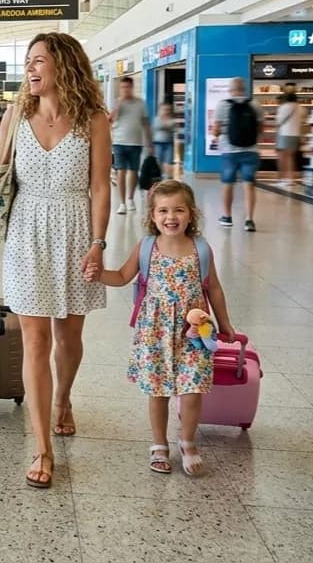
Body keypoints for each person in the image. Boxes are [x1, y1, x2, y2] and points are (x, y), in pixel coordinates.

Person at [0, 32, 110, 490]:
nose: (30, 69)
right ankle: (42, 445)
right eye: (28, 61)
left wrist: (99, 242)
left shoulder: (93, 120)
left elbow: (101, 186)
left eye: (39, 61)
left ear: (63, 67)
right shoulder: (16, 114)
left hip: (75, 231)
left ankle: (63, 398)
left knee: (68, 336)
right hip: (26, 231)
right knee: (33, 341)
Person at [86, 181, 235, 476]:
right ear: (152, 216)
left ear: (191, 214)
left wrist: (225, 323)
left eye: (179, 210)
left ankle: (188, 442)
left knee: (192, 390)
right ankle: (158, 444)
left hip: (193, 334)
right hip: (154, 332)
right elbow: (123, 276)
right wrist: (99, 274)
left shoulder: (201, 248)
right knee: (159, 391)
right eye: (163, 211)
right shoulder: (146, 247)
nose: (171, 217)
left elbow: (214, 288)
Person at [212, 77, 263, 232]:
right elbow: (261, 128)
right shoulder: (255, 105)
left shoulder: (222, 105)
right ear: (244, 89)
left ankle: (227, 217)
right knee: (249, 185)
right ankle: (249, 220)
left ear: (231, 89)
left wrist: (218, 134)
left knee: (228, 184)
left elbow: (215, 130)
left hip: (229, 151)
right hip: (251, 150)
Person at [109, 76, 151, 214]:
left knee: (133, 171)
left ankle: (130, 198)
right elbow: (109, 120)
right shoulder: (117, 103)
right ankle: (122, 203)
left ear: (132, 87)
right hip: (119, 142)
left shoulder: (140, 103)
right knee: (121, 171)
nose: (125, 90)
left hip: (136, 142)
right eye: (123, 87)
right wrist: (118, 106)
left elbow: (145, 123)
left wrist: (149, 142)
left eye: (127, 87)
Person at [276, 84, 302, 188]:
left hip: (285, 134)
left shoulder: (284, 107)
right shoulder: (299, 107)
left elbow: (278, 121)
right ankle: (290, 179)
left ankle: (283, 179)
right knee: (291, 157)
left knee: (282, 157)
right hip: (295, 135)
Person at [151, 102, 176, 179]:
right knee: (159, 161)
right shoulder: (156, 119)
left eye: (168, 109)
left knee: (168, 161)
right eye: (164, 109)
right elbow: (156, 127)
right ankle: (160, 176)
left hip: (169, 143)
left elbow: (172, 127)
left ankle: (167, 177)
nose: (166, 111)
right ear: (160, 110)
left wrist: (166, 125)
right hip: (158, 143)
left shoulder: (172, 120)